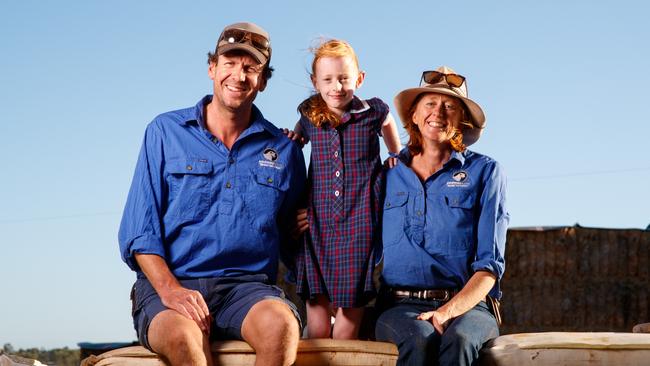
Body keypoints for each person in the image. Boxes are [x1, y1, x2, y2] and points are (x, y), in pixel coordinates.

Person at [118, 22, 306, 366]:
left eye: (251, 68)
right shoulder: (165, 131)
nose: (239, 75)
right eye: (230, 63)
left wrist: (311, 223)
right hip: (171, 283)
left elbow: (292, 238)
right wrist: (171, 290)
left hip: (246, 288)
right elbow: (139, 232)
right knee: (185, 338)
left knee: (281, 327)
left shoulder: (284, 151)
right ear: (211, 68)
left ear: (263, 81)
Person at [374, 66, 509, 365]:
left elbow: (490, 267)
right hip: (399, 305)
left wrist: (448, 311)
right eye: (430, 104)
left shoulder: (486, 172)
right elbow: (357, 231)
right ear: (413, 115)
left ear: (461, 120)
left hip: (470, 308)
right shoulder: (387, 173)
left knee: (459, 340)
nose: (439, 112)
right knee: (419, 339)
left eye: (450, 106)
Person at [285, 39, 402, 339]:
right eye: (327, 80)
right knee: (318, 315)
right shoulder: (310, 114)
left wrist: (394, 154)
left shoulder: (372, 111)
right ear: (315, 82)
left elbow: (389, 123)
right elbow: (298, 139)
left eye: (344, 79)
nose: (336, 86)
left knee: (349, 316)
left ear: (359, 79)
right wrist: (293, 138)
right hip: (318, 221)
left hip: (360, 218)